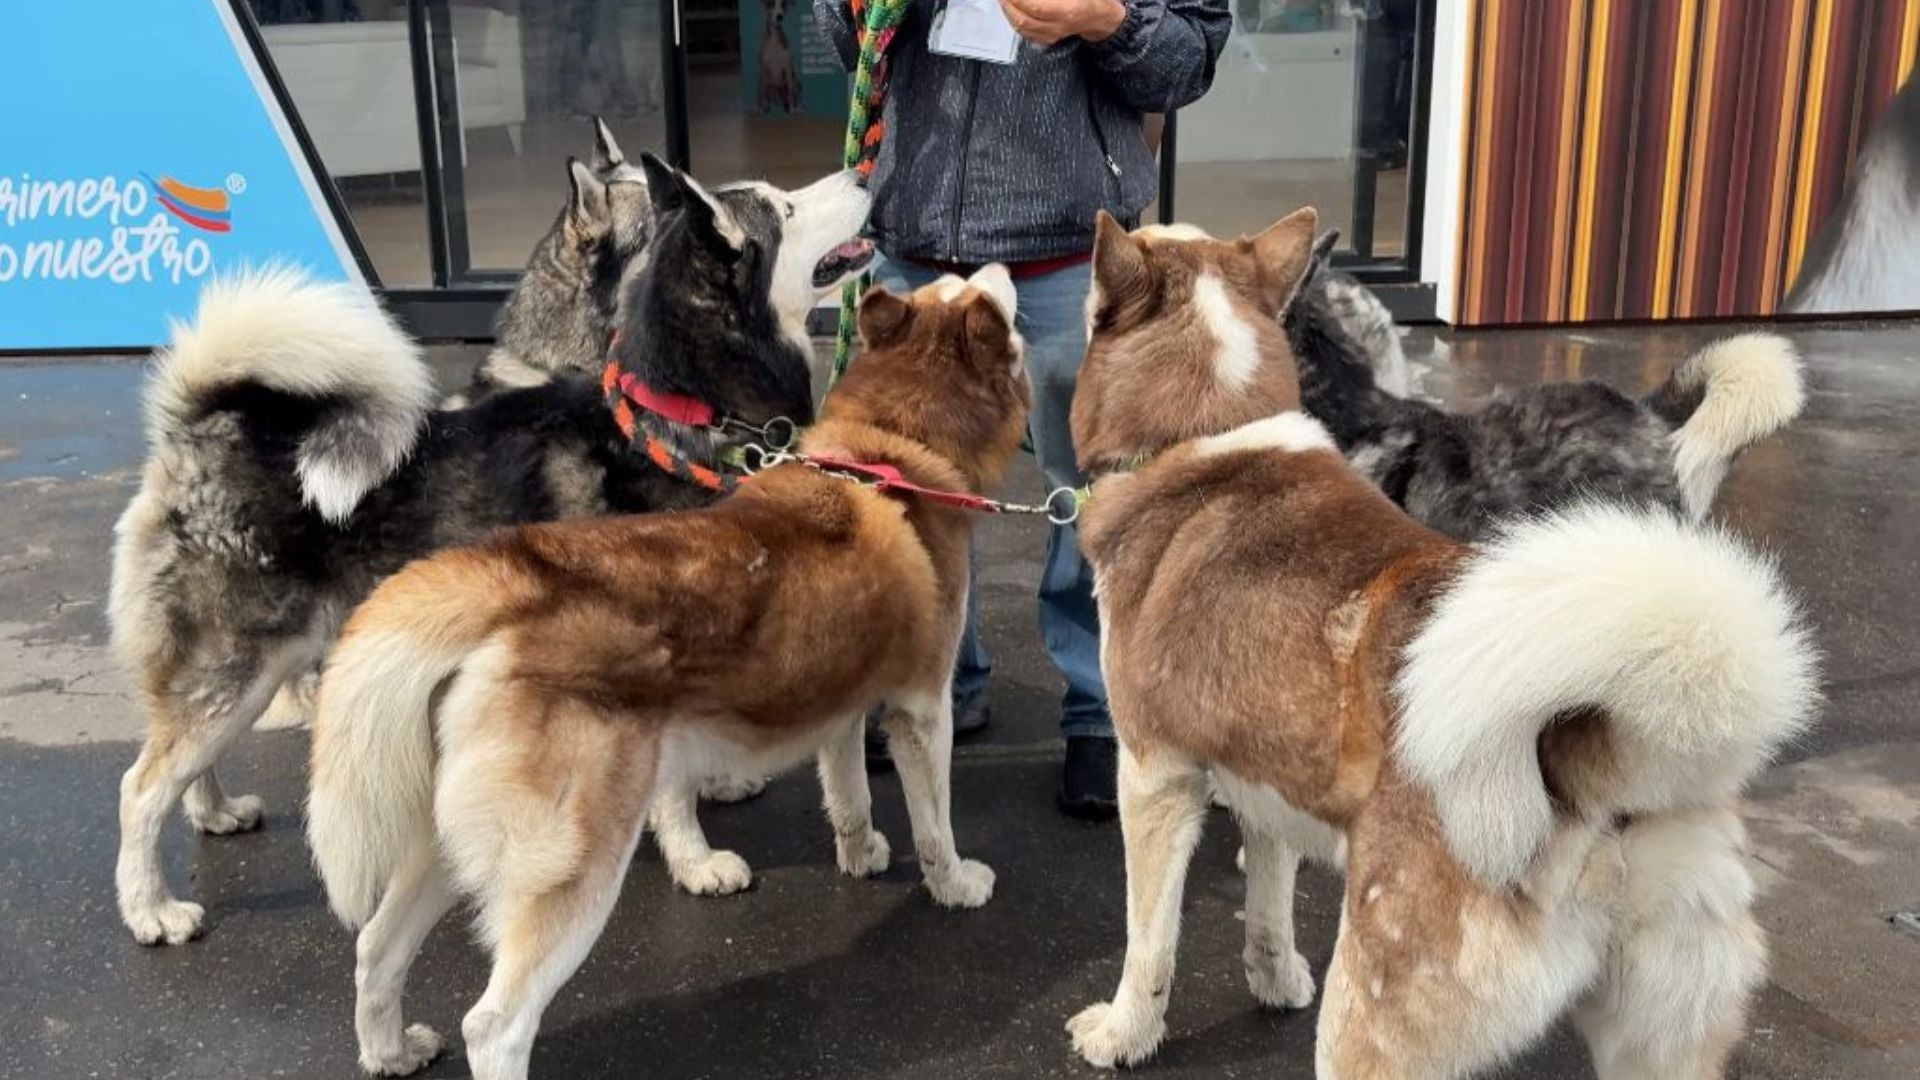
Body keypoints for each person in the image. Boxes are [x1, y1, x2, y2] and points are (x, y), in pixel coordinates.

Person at [816, 0, 1232, 818]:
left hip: (1068, 250)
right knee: (908, 496)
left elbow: (1190, 60)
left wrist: (1106, 20)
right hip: (914, 243)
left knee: (1098, 490)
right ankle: (936, 678)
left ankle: (1096, 710)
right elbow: (847, 44)